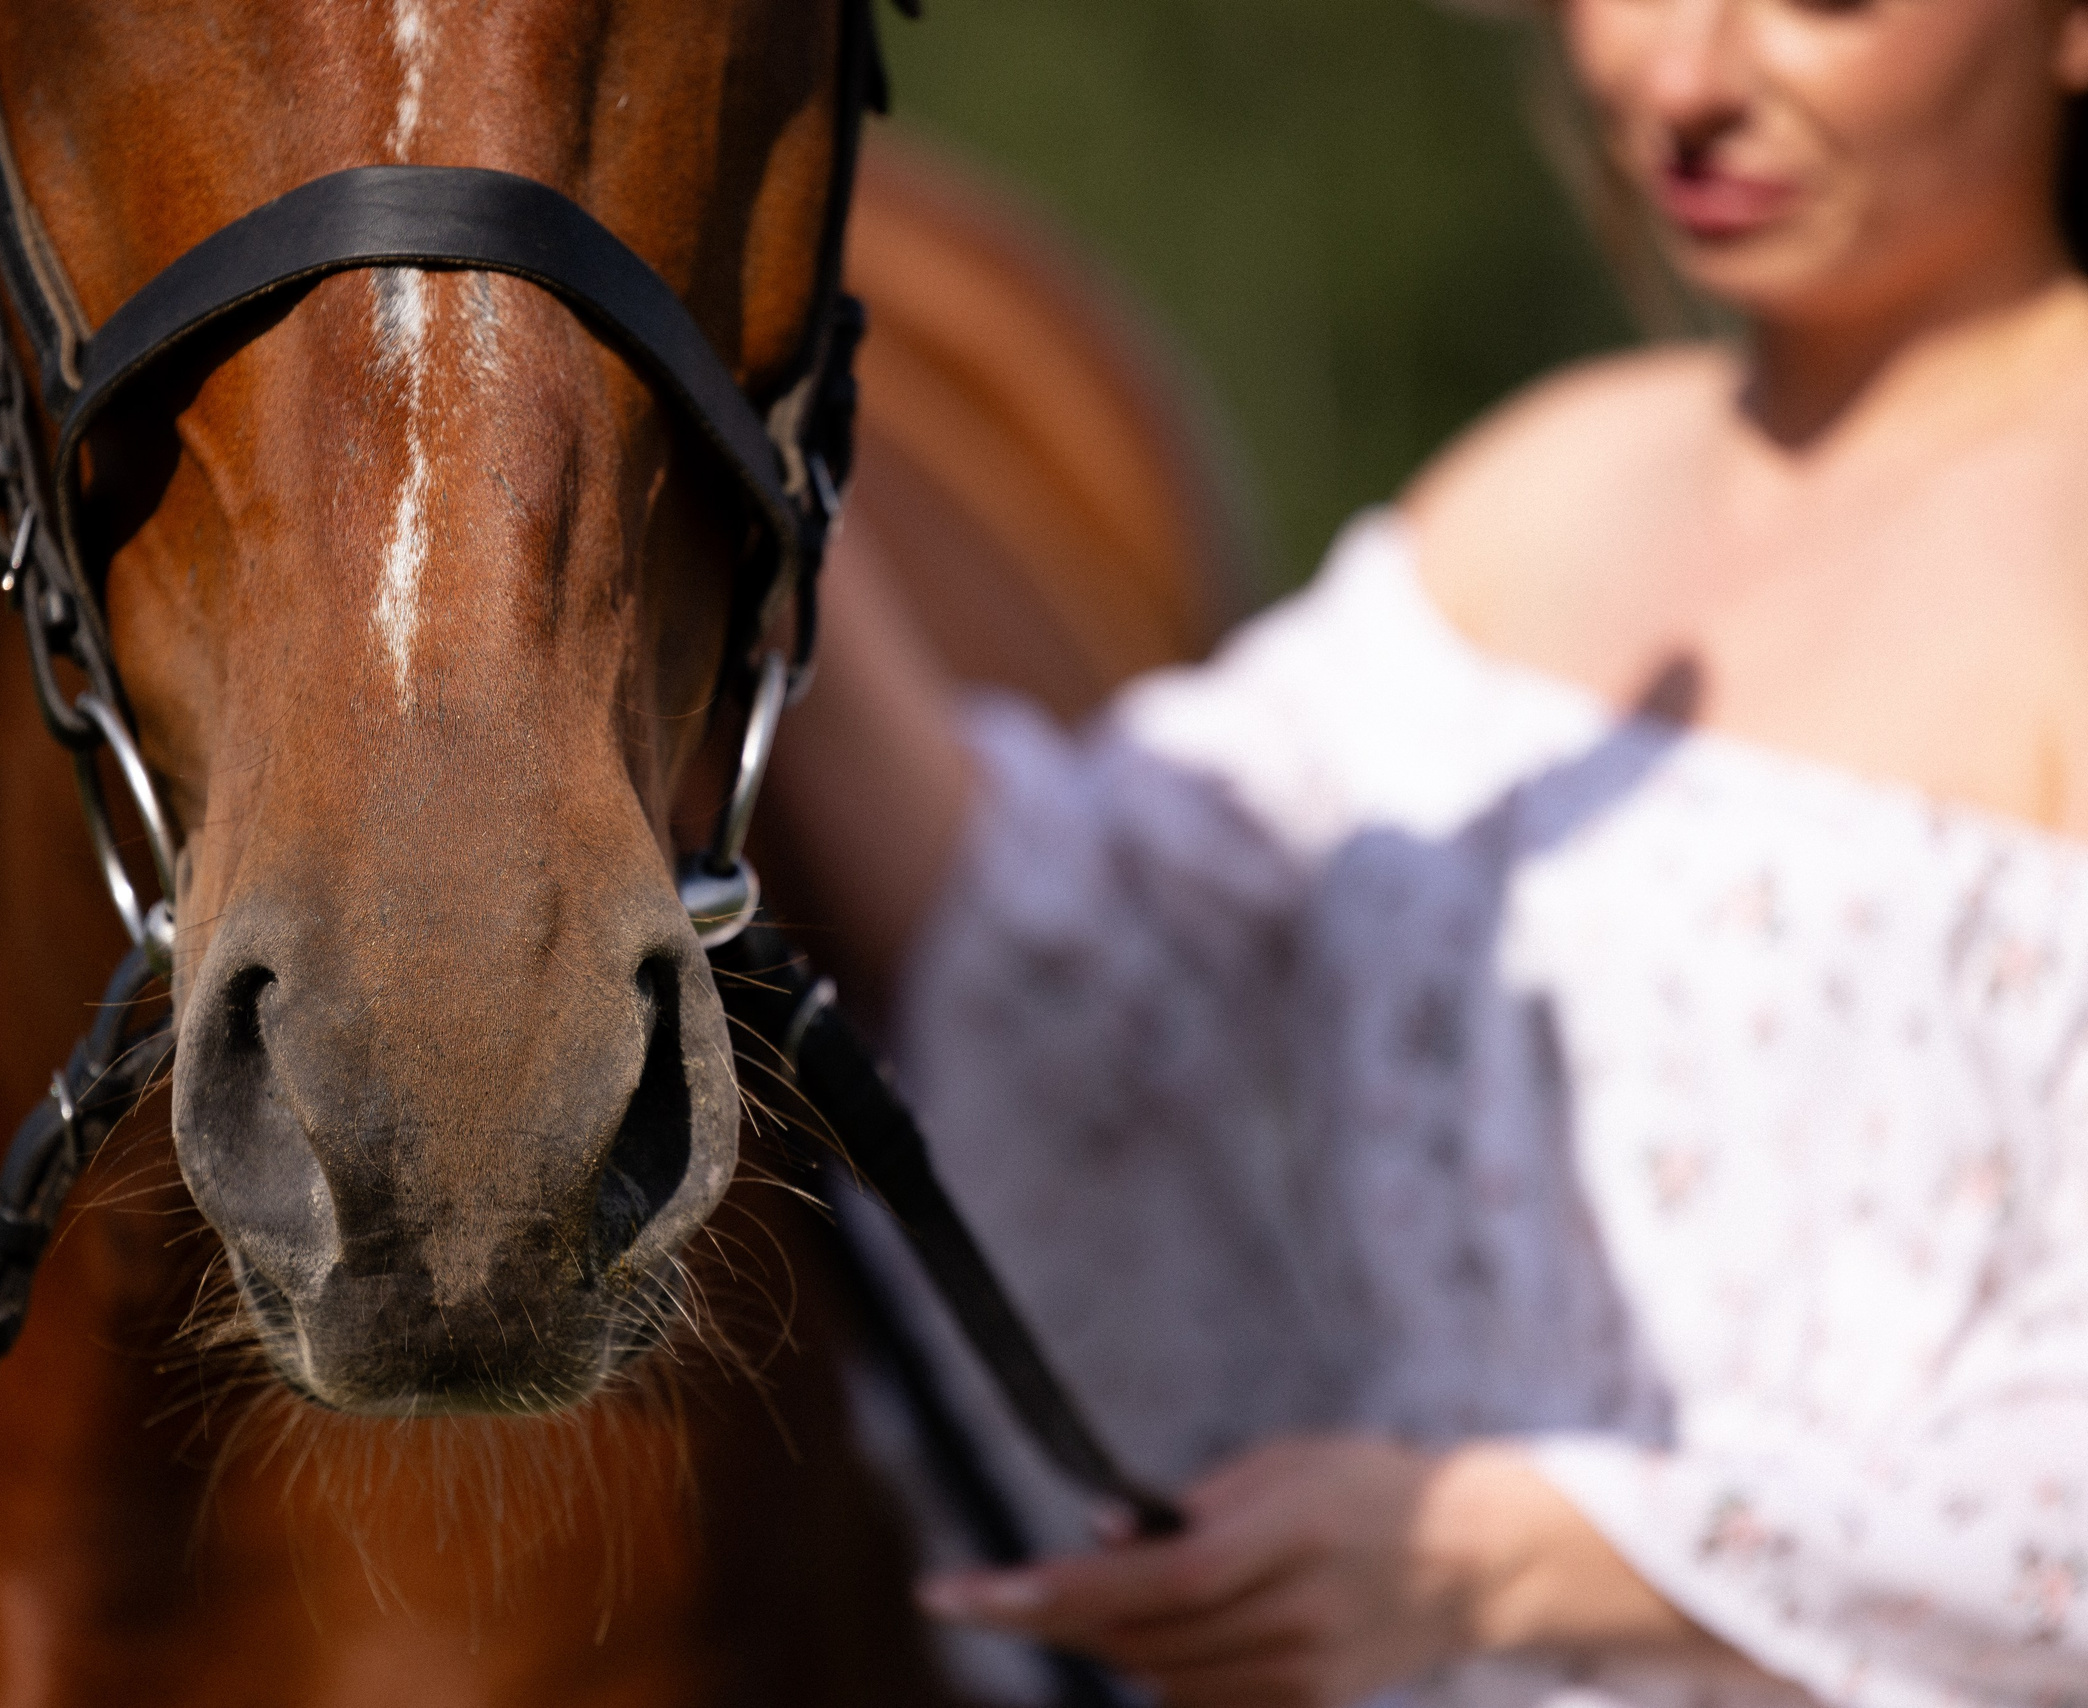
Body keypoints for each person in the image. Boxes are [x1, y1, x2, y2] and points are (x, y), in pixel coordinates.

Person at [758, 1, 2088, 1703]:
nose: (1679, 80)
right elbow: (1055, 952)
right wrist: (768, 461)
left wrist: (1498, 1553)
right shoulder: (1545, 487)